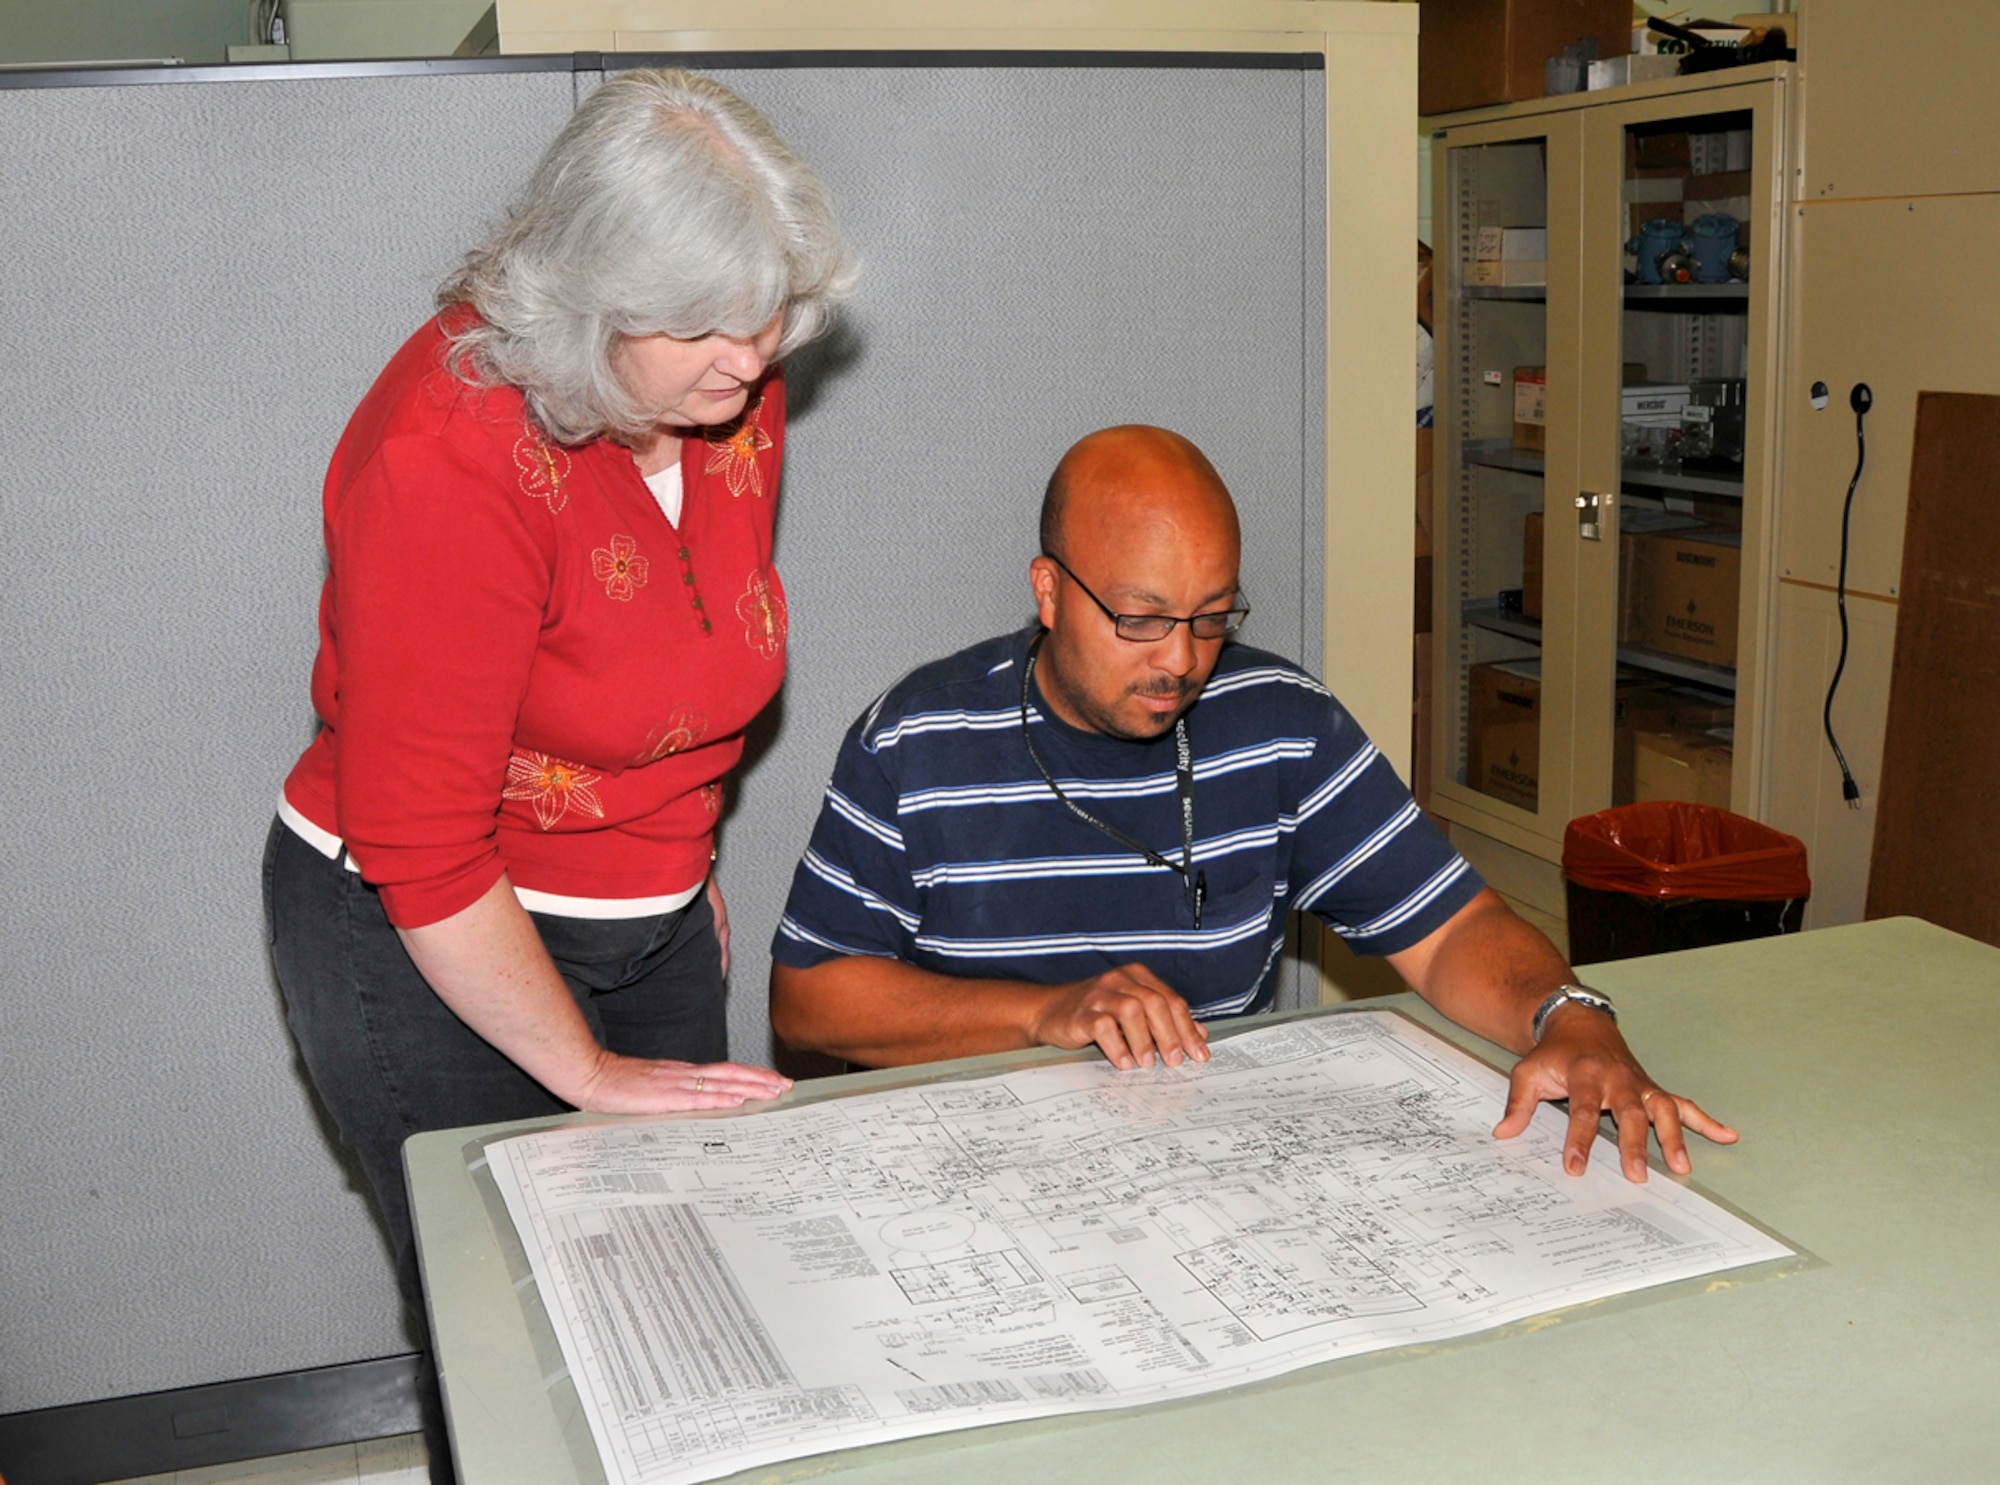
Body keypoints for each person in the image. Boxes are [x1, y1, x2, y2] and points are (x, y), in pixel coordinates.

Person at [263, 69, 851, 1476]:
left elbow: (689, 676)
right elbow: (426, 844)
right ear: (589, 301)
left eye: (768, 312)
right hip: (417, 927)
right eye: (701, 323)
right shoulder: (446, 456)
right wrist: (584, 1069)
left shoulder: (731, 399)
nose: (749, 357)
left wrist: (678, 874)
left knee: (678, 1309)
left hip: (636, 904)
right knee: (510, 1327)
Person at [770, 425, 1737, 1186]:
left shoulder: (1281, 724)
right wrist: (1044, 1012)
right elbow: (808, 1000)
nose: (1182, 660)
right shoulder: (917, 739)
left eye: (1211, 617)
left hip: (1207, 1174)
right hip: (969, 1171)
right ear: (1049, 592)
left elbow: (1451, 932)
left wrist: (1569, 1014)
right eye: (1140, 619)